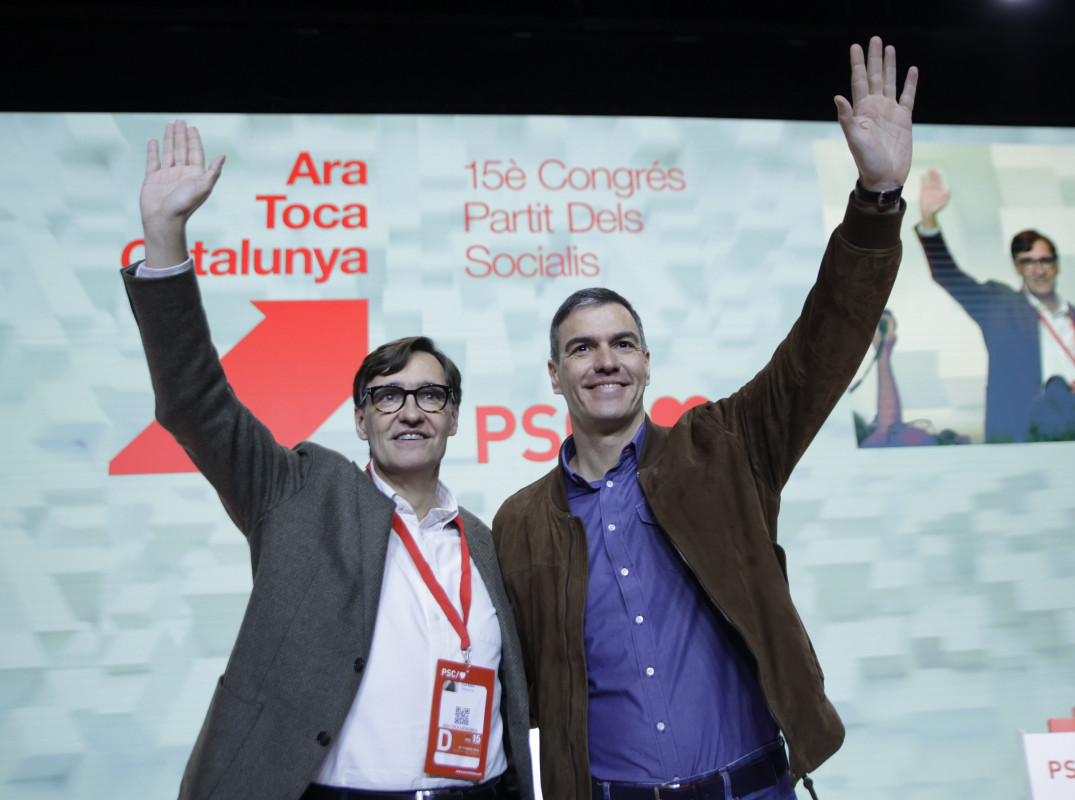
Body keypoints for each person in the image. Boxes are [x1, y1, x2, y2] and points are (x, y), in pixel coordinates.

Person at [492, 37, 915, 800]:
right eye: (581, 350)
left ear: (648, 363)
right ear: (553, 376)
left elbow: (824, 341)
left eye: (624, 343)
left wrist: (876, 202)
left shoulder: (724, 448)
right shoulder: (520, 522)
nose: (606, 361)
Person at [122, 121, 533, 800]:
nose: (410, 410)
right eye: (387, 396)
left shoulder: (485, 544)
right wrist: (166, 239)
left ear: (455, 416)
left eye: (430, 395)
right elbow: (196, 401)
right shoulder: (299, 496)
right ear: (361, 418)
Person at [915, 168, 1075, 443]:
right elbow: (949, 276)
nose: (1039, 270)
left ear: (1057, 264)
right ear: (1016, 267)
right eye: (1028, 262)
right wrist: (930, 221)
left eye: (1045, 260)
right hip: (1030, 441)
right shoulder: (999, 306)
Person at [856, 311, 968, 446]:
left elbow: (889, 431)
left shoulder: (874, 444)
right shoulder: (877, 442)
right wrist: (883, 353)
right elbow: (889, 430)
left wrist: (883, 353)